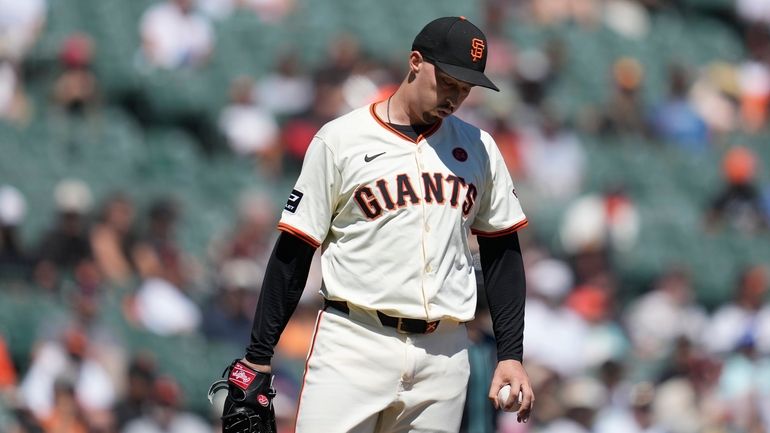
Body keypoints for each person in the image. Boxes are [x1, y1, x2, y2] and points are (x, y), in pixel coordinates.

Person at [221, 16, 535, 432]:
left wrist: (510, 353)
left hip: (444, 354)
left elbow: (503, 254)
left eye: (466, 88)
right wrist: (258, 353)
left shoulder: (479, 148)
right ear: (416, 62)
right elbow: (294, 251)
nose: (456, 96)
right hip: (354, 341)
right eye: (448, 82)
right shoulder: (340, 140)